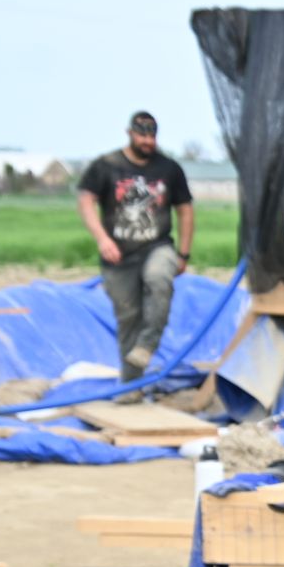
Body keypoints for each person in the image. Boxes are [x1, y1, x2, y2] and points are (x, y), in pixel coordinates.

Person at [76, 110, 194, 393]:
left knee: (158, 279)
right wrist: (102, 239)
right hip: (118, 255)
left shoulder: (169, 169)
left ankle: (149, 342)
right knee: (128, 317)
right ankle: (130, 388)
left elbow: (185, 211)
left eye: (152, 135)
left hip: (157, 246)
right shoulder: (107, 166)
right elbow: (85, 200)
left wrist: (184, 254)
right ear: (130, 133)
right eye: (142, 135)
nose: (147, 141)